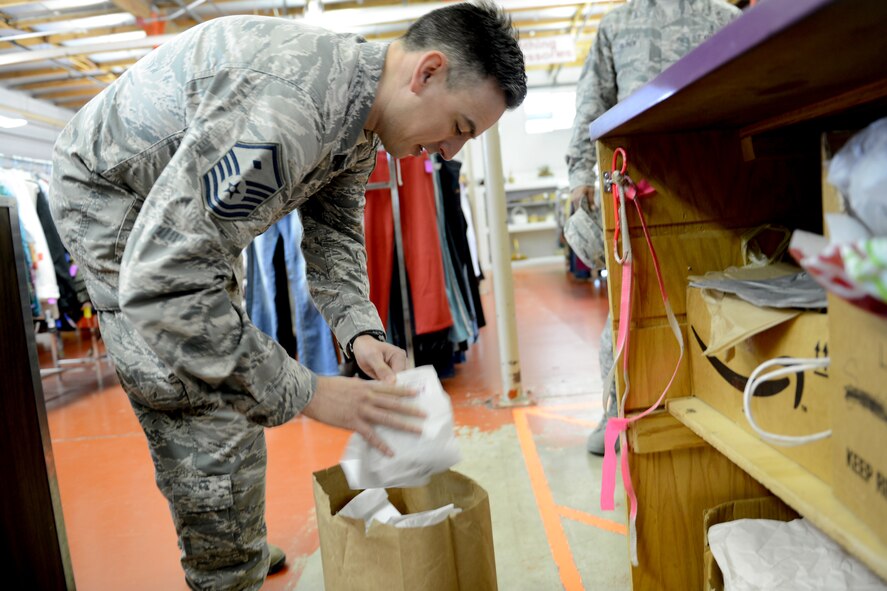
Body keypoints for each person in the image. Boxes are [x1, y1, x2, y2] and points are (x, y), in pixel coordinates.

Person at [49, 2, 527, 588]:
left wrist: (361, 331)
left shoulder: (363, 114)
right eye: (459, 127)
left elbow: (336, 235)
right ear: (426, 72)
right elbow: (165, 286)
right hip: (110, 200)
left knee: (233, 363)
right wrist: (311, 393)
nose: (451, 152)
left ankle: (237, 540)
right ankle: (225, 567)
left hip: (174, 214)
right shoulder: (293, 108)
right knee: (201, 400)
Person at [564, 0, 740, 455]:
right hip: (648, 194)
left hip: (707, 189)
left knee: (710, 303)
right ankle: (622, 413)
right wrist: (582, 182)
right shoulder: (617, 25)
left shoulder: (724, 20)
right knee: (637, 314)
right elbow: (591, 110)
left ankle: (718, 404)